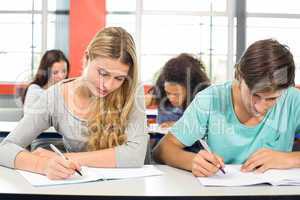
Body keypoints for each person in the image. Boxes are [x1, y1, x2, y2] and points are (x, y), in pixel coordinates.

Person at [0, 27, 148, 180]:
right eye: (103, 73)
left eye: (119, 78)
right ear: (87, 57)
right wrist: (43, 165)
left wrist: (69, 158)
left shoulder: (132, 91)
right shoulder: (54, 98)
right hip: (78, 186)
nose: (109, 85)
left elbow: (135, 155)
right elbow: (4, 149)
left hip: (128, 188)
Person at [153, 39, 300, 177]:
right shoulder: (210, 100)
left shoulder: (293, 99)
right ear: (239, 76)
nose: (260, 107)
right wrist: (191, 161)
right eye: (255, 95)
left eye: (272, 98)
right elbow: (162, 150)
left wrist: (290, 159)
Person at [148, 53, 210, 128]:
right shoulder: (161, 93)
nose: (171, 98)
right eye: (168, 93)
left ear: (190, 90)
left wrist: (179, 126)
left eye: (176, 94)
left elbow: (206, 127)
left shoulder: (203, 100)